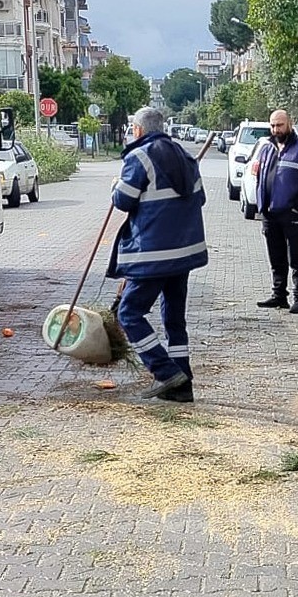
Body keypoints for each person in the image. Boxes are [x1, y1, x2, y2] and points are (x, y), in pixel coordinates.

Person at [109, 106, 208, 402]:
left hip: (152, 254)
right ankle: (183, 386)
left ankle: (165, 372)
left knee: (129, 312)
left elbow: (123, 201)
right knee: (174, 320)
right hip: (184, 253)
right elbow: (199, 199)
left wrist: (115, 186)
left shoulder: (138, 157)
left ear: (138, 130)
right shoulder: (186, 157)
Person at [254, 109, 298, 314]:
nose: (276, 129)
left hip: (291, 215)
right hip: (269, 214)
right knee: (276, 257)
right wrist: (260, 204)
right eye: (273, 125)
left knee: (296, 257)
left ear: (289, 124)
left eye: (280, 125)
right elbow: (260, 176)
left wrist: (296, 207)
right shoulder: (266, 148)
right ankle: (279, 295)